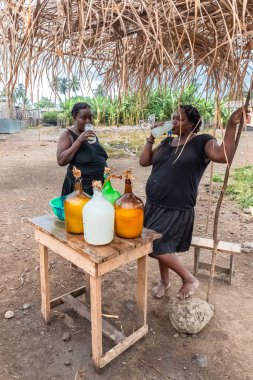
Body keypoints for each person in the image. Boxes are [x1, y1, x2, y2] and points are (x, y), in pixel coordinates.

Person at [139, 105, 247, 300]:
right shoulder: (166, 143)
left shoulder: (202, 142)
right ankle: (164, 281)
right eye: (172, 118)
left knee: (156, 246)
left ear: (193, 123)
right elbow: (144, 161)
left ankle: (189, 279)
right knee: (162, 246)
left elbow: (224, 156)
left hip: (176, 207)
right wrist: (151, 136)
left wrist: (231, 125)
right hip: (154, 205)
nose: (173, 122)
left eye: (179, 119)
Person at [57, 102, 108, 196]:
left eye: (90, 117)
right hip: (79, 189)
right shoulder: (68, 134)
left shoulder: (90, 134)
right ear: (74, 117)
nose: (88, 121)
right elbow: (61, 160)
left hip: (97, 186)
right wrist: (79, 141)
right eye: (83, 118)